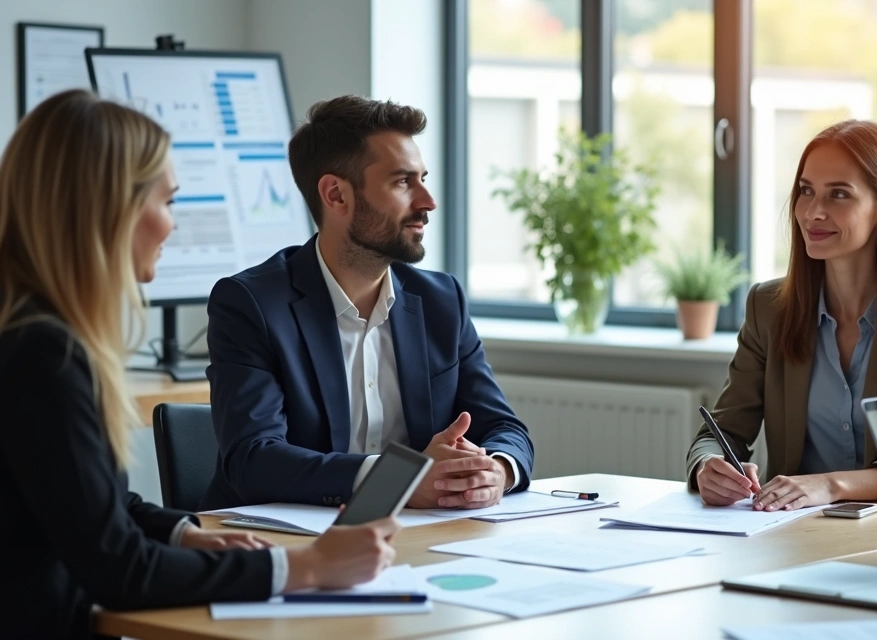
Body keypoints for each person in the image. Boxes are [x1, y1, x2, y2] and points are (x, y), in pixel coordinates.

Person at [0, 90, 403, 639]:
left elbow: (99, 508)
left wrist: (182, 533)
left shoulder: (33, 335)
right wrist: (303, 567)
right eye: (166, 202)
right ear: (108, 206)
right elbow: (117, 568)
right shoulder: (43, 356)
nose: (173, 227)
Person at [201, 96, 534, 511]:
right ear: (336, 195)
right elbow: (253, 461)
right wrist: (400, 479)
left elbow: (504, 428)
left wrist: (496, 471)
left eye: (423, 179)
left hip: (414, 537)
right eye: (401, 182)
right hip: (282, 547)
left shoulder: (441, 300)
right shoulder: (251, 304)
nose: (427, 201)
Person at [686, 120, 877, 511]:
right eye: (806, 191)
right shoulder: (768, 308)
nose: (813, 211)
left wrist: (832, 486)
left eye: (839, 194)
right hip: (788, 536)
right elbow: (721, 430)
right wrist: (709, 466)